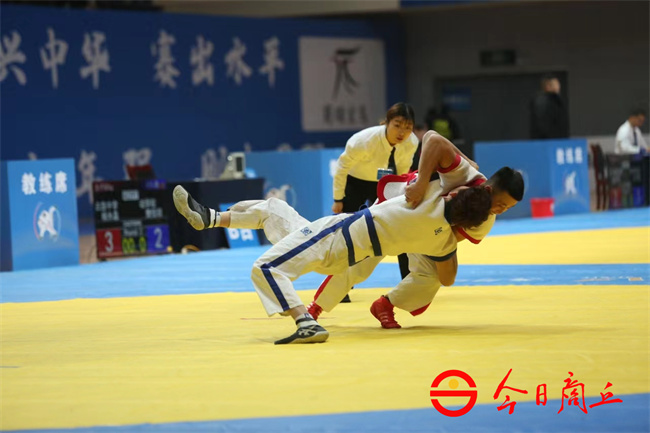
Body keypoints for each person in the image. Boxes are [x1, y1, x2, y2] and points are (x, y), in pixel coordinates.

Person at [172, 155, 492, 344]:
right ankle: (211, 218)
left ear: (453, 195)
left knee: (266, 268)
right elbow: (447, 277)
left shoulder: (424, 199)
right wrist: (452, 245)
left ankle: (305, 322)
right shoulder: (441, 240)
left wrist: (452, 173)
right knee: (274, 209)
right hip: (341, 245)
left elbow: (435, 142)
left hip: (333, 238)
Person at [307, 131, 524, 328]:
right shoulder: (465, 175)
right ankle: (316, 307)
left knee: (431, 277)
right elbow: (433, 138)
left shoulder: (486, 221)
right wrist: (422, 183)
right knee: (362, 258)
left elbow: (450, 241)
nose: (501, 210)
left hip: (429, 232)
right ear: (488, 189)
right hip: (403, 204)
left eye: (508, 208)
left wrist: (441, 257)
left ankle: (385, 305)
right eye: (501, 204)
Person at [332, 102, 419, 215]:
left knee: (387, 218)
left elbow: (402, 171)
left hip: (383, 183)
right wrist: (337, 199)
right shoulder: (363, 141)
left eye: (408, 127)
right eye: (397, 126)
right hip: (356, 182)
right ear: (387, 123)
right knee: (348, 219)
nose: (402, 132)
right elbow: (342, 167)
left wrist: (399, 195)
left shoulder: (411, 142)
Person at [530, 74, 569, 139]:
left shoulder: (557, 101)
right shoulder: (542, 101)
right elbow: (543, 126)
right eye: (555, 84)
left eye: (558, 84)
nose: (558, 87)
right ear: (548, 86)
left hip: (559, 141)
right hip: (547, 141)